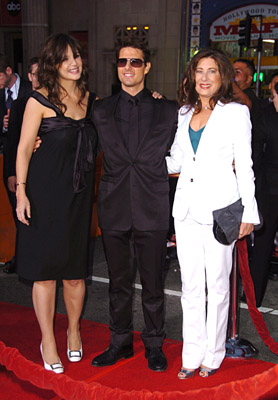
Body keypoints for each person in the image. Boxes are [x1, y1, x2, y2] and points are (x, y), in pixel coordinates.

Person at [166, 48, 259, 378]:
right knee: (190, 286)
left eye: (211, 72)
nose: (204, 78)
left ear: (222, 78)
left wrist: (249, 211)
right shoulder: (182, 113)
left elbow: (245, 165)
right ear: (191, 77)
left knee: (218, 286)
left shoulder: (235, 113)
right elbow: (176, 161)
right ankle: (191, 353)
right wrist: (138, 163)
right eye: (198, 71)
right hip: (186, 209)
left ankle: (214, 353)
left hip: (222, 210)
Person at [91, 37, 178, 372]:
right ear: (117, 67)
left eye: (135, 62)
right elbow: (81, 148)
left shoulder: (168, 109)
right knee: (118, 283)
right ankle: (120, 342)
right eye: (122, 62)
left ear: (147, 67)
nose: (128, 67)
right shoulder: (100, 110)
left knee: (154, 283)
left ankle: (154, 344)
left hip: (152, 207)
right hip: (114, 207)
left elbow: (190, 146)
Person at [15, 33, 97, 373]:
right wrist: (20, 191)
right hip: (45, 195)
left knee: (75, 274)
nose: (73, 62)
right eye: (65, 58)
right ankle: (48, 338)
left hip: (78, 197)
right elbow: (22, 149)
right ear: (53, 64)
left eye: (76, 55)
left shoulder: (92, 100)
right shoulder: (39, 99)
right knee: (46, 274)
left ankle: (74, 330)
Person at [0, 53, 32, 273]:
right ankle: (21, 258)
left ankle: (30, 258)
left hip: (33, 162)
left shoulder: (31, 90)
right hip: (11, 160)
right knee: (17, 212)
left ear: (9, 71)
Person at [250, 82, 278, 306]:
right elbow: (255, 156)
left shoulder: (264, 116)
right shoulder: (263, 116)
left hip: (267, 188)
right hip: (268, 191)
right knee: (263, 245)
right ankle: (253, 295)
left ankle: (253, 295)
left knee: (263, 244)